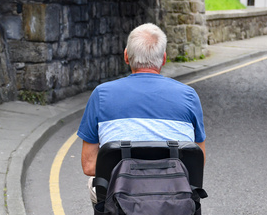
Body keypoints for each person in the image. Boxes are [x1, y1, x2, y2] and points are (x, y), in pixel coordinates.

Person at [77, 23, 206, 202]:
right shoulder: (189, 96)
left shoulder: (101, 95)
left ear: (126, 56)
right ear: (164, 59)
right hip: (174, 200)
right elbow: (197, 162)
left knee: (94, 182)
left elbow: (90, 165)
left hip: (120, 200)